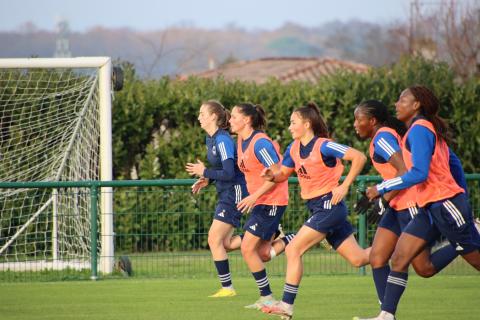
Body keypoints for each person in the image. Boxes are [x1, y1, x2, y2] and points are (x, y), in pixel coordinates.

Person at [358, 86, 480, 320]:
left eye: (402, 99)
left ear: (417, 105)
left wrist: (381, 188)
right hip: (429, 207)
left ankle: (473, 228)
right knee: (401, 258)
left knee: (476, 262)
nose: (396, 104)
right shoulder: (415, 130)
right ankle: (386, 316)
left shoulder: (420, 130)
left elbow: (419, 174)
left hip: (446, 205)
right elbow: (452, 163)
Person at [260, 102, 371, 320]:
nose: (289, 127)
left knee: (293, 250)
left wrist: (344, 185)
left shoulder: (324, 145)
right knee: (359, 259)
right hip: (318, 209)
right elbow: (283, 173)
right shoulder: (293, 148)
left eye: (293, 122)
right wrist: (272, 176)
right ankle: (399, 249)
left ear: (307, 124)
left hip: (329, 206)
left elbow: (359, 157)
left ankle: (286, 305)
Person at [229, 103, 295, 310]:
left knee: (247, 248)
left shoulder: (260, 144)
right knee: (264, 254)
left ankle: (266, 297)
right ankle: (297, 236)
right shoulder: (241, 140)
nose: (229, 120)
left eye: (233, 116)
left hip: (271, 201)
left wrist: (253, 196)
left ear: (246, 120)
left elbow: (278, 174)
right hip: (261, 201)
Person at [185, 100, 248, 298]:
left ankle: (228, 289)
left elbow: (230, 173)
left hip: (234, 192)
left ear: (213, 116)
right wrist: (207, 179)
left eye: (202, 113)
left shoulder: (222, 139)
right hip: (225, 191)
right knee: (225, 244)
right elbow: (221, 171)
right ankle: (269, 234)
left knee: (214, 239)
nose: (198, 117)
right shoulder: (210, 139)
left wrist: (204, 170)